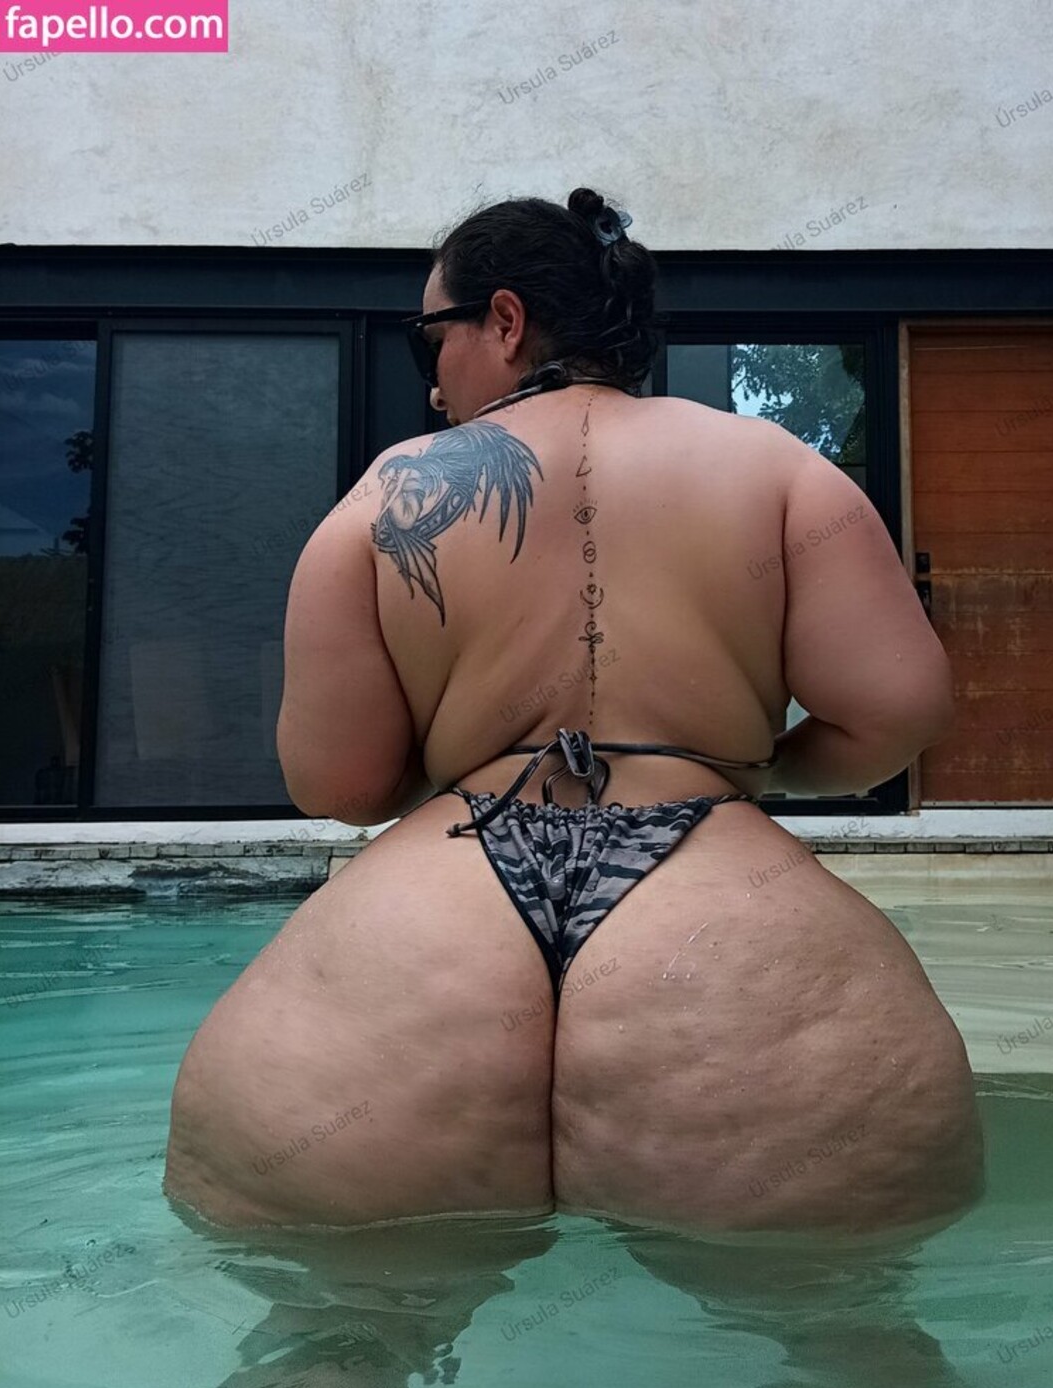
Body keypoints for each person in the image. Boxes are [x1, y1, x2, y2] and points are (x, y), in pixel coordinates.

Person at [164, 187, 983, 1237]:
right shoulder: (778, 469)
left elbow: (341, 785)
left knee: (341, 1323)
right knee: (837, 1326)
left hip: (419, 946)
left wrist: (467, 757)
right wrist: (751, 770)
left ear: (505, 321)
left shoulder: (386, 494)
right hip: (727, 931)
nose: (433, 383)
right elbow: (898, 713)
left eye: (432, 339)